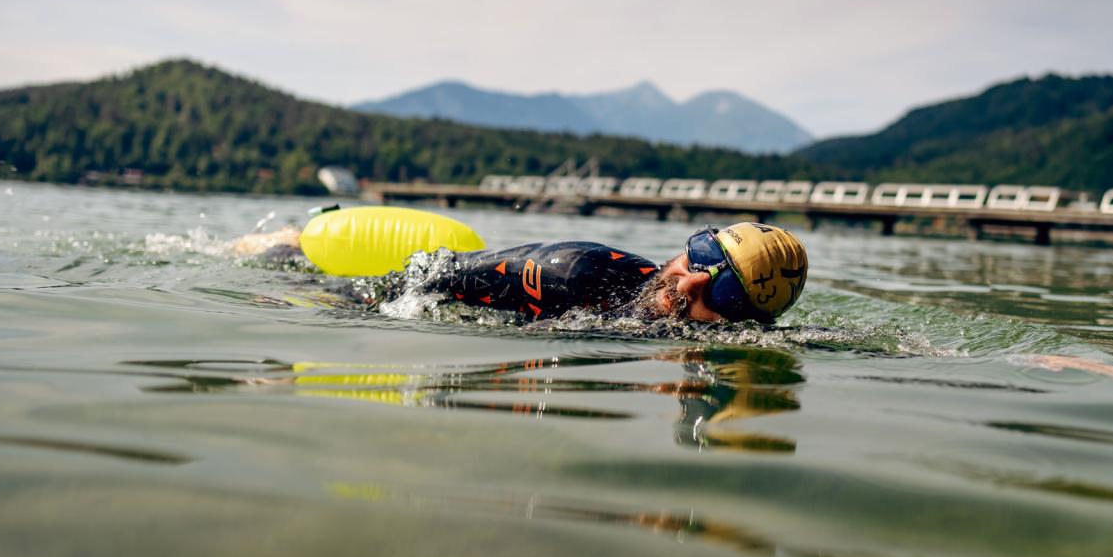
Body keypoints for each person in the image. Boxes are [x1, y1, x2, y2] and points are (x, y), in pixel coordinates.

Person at [235, 220, 809, 325]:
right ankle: (287, 247)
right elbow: (435, 281)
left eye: (720, 290)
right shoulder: (569, 277)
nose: (687, 284)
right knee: (302, 285)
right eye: (697, 259)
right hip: (427, 280)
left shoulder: (727, 335)